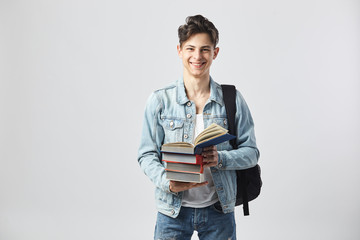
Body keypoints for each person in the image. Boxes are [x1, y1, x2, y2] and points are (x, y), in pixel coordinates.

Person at [138, 15, 259, 240]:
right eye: (190, 48)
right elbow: (146, 154)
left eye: (205, 49)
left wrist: (220, 158)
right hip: (172, 212)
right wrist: (168, 183)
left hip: (218, 210)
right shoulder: (160, 100)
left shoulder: (232, 99)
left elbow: (252, 152)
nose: (197, 56)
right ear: (179, 50)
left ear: (215, 53)